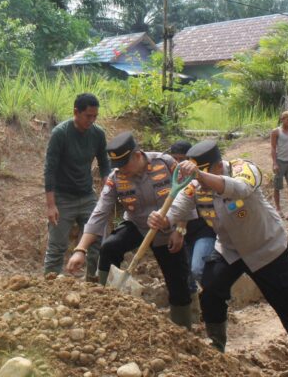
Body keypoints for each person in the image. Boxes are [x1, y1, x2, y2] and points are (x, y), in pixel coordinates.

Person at [148, 140, 288, 376]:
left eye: (204, 173)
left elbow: (239, 189)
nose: (199, 181)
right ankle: (217, 349)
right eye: (197, 176)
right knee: (210, 293)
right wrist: (162, 219)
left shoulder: (244, 169)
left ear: (219, 166)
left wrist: (199, 174)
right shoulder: (195, 186)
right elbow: (177, 207)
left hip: (267, 249)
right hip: (229, 250)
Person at [65, 132, 192, 329]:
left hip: (169, 228)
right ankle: (106, 304)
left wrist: (181, 228)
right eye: (118, 165)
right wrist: (80, 249)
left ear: (137, 154)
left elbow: (187, 195)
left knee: (178, 283)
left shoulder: (165, 163)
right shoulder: (116, 178)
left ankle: (184, 330)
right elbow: (100, 212)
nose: (122, 169)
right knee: (109, 249)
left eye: (125, 163)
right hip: (138, 226)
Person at [43, 93, 111, 279]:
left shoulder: (97, 134)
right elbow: (50, 170)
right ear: (76, 112)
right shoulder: (61, 133)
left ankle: (93, 285)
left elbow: (104, 163)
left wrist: (108, 186)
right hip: (63, 198)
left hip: (87, 195)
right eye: (88, 116)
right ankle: (49, 288)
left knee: (96, 241)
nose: (92, 120)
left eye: (95, 116)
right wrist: (51, 205)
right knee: (57, 246)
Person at [167, 141, 216, 294]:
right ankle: (195, 309)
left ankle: (217, 298)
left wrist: (179, 230)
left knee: (197, 269)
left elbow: (186, 208)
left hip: (203, 230)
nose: (179, 163)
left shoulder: (200, 177)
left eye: (182, 159)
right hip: (183, 232)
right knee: (186, 276)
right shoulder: (170, 174)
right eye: (175, 159)